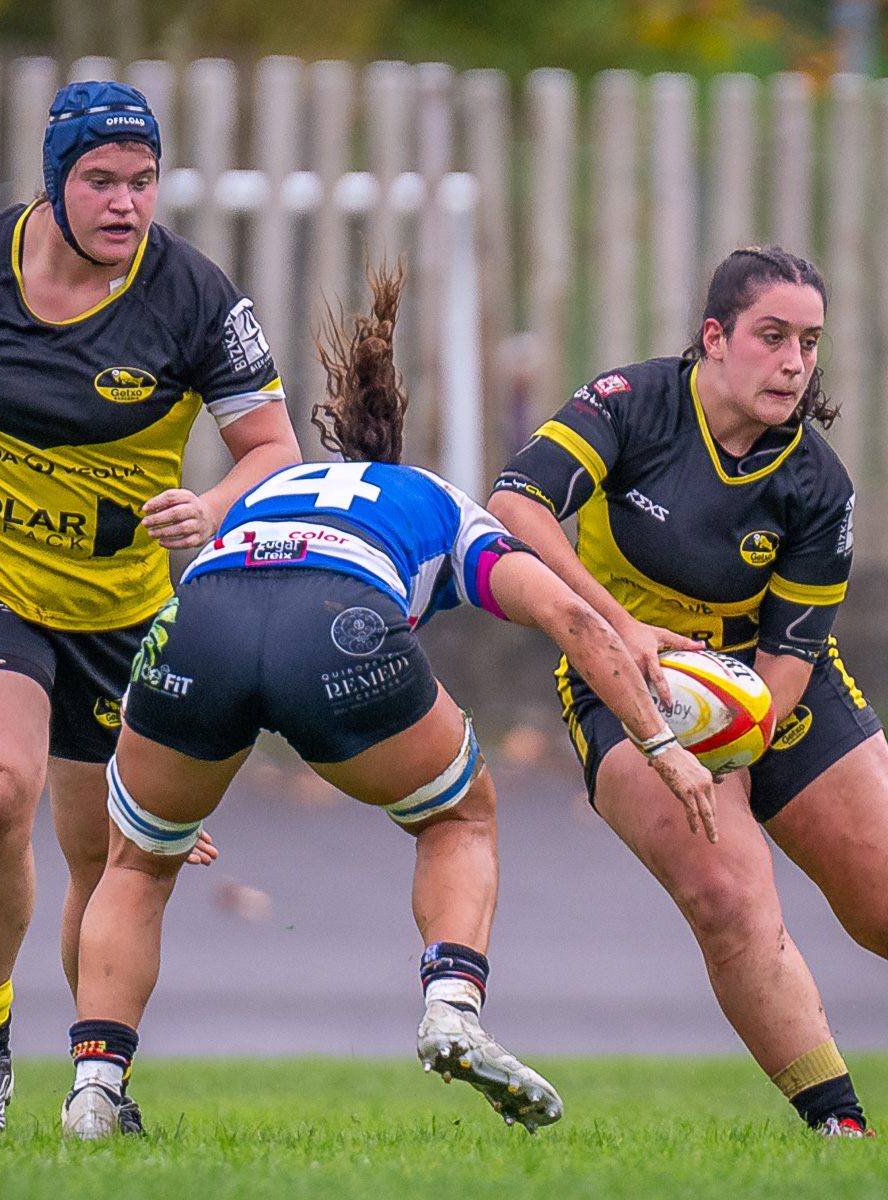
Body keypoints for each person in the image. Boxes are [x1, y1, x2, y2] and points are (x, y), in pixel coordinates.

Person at [58, 268, 719, 1139]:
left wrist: (161, 779)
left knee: (137, 861)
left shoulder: (260, 493)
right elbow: (567, 611)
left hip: (199, 630)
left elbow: (207, 620)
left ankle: (95, 1093)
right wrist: (661, 745)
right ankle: (452, 1006)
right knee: (460, 818)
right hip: (337, 629)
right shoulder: (439, 502)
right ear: (397, 450)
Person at [487, 246, 888, 1136]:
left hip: (769, 686)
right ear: (715, 338)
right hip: (621, 683)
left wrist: (731, 740)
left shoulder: (817, 486)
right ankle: (840, 1130)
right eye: (772, 336)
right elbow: (514, 503)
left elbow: (788, 660)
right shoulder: (631, 405)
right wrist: (617, 635)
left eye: (809, 343)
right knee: (729, 900)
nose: (794, 362)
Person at [0, 80, 302, 1133]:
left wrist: (213, 503)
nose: (126, 203)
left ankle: (98, 1082)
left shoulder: (194, 298)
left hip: (122, 616)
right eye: (101, 180)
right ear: (55, 179)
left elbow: (273, 447)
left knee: (110, 857)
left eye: (143, 181)